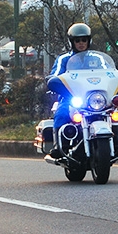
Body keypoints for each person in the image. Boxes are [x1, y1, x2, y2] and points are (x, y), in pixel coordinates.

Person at [47, 23, 92, 158]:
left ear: (89, 41)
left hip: (94, 97)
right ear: (72, 42)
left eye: (84, 40)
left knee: (112, 114)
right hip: (71, 97)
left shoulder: (98, 59)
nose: (81, 43)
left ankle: (117, 142)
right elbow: (55, 75)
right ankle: (59, 146)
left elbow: (109, 73)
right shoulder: (64, 59)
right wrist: (52, 81)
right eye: (77, 40)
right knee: (62, 113)